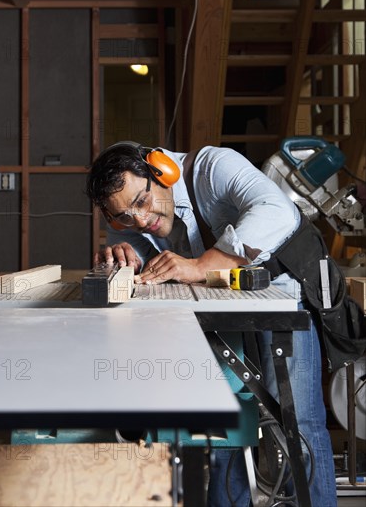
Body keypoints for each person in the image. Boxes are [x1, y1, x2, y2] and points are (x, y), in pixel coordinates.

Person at [85, 141, 337, 507]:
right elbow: (132, 246)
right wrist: (125, 259)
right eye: (123, 215)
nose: (140, 220)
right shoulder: (130, 217)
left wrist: (203, 265)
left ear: (160, 172)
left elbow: (277, 211)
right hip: (218, 312)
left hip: (282, 301)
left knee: (297, 422)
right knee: (223, 427)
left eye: (142, 202)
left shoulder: (214, 168)